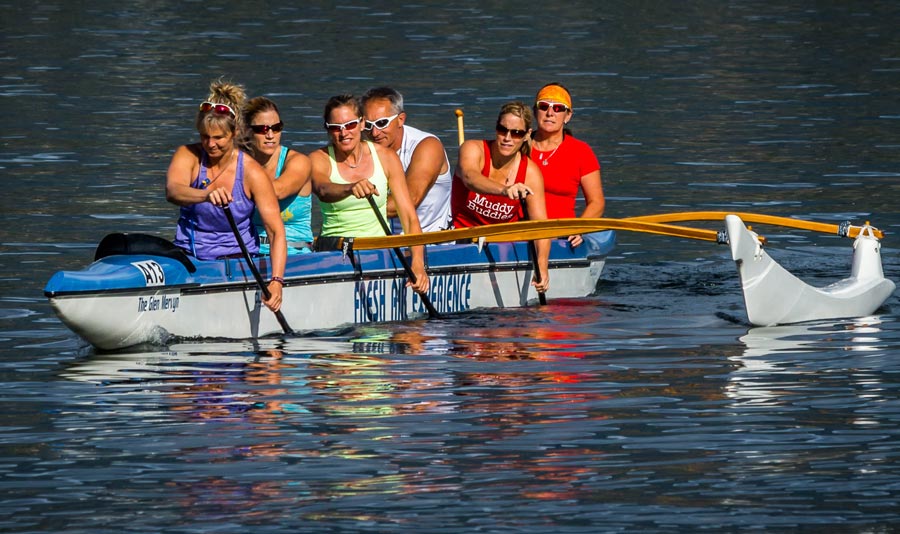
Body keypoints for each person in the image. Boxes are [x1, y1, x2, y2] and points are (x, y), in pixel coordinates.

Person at [166, 79, 287, 312]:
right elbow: (173, 190)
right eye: (204, 136)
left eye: (218, 137)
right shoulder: (188, 155)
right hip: (188, 257)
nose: (210, 144)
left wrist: (276, 282)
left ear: (234, 133)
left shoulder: (252, 172)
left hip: (235, 262)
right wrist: (205, 194)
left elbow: (275, 231)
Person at [308, 94, 429, 295]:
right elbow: (322, 190)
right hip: (336, 253)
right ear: (328, 129)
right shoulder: (317, 159)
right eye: (336, 127)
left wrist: (417, 263)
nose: (343, 133)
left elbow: (408, 217)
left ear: (362, 123)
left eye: (350, 125)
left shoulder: (386, 157)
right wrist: (349, 188)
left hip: (379, 254)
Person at [450, 101, 550, 294]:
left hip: (502, 248)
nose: (507, 138)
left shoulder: (530, 172)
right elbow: (471, 178)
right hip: (462, 241)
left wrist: (542, 267)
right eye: (502, 130)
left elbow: (541, 227)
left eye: (516, 133)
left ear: (527, 135)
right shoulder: (473, 149)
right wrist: (505, 190)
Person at [360, 86, 452, 233]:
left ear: (401, 119)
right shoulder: (362, 148)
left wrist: (350, 212)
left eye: (382, 123)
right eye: (368, 125)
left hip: (431, 241)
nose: (374, 132)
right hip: (381, 239)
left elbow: (410, 200)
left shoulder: (427, 146)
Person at [530, 82, 605, 248]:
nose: (550, 113)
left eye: (558, 108)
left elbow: (597, 202)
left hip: (562, 237)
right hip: (520, 233)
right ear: (535, 112)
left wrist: (580, 229)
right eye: (544, 106)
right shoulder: (518, 144)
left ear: (568, 116)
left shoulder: (581, 152)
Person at [243, 96, 314, 255]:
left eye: (276, 128)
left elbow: (277, 191)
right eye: (262, 129)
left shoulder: (299, 162)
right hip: (249, 252)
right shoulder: (239, 161)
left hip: (295, 253)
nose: (270, 135)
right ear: (246, 131)